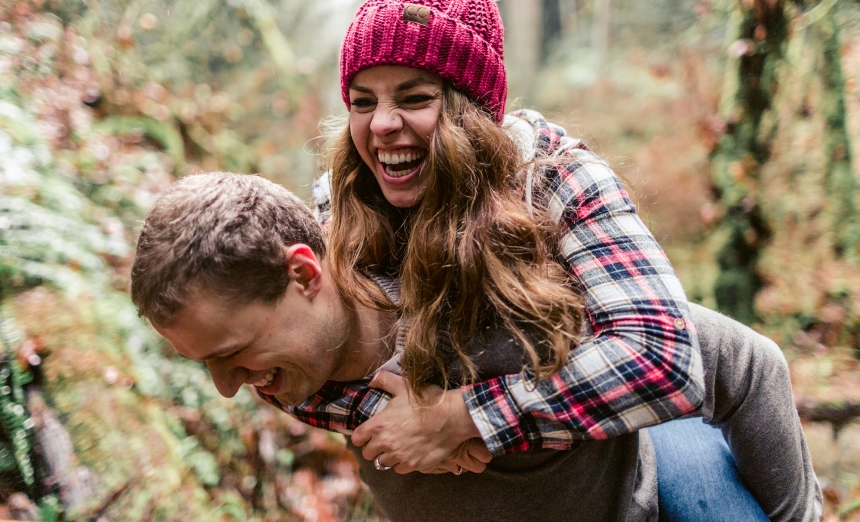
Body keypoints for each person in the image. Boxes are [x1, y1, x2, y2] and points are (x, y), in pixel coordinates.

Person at [131, 172, 820, 522]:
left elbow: (739, 362)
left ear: (305, 274)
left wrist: (475, 413)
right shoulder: (298, 377)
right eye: (209, 365)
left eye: (232, 354)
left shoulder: (484, 297)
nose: (227, 387)